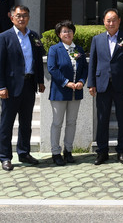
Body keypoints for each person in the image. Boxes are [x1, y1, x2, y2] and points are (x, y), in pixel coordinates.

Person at [0, 5, 45, 171]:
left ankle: (24, 153)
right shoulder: (4, 37)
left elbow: (38, 60)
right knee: (7, 124)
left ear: (29, 17)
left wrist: (40, 81)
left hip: (29, 85)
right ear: (11, 17)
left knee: (26, 123)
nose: (22, 18)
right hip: (11, 87)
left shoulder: (33, 36)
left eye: (25, 15)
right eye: (18, 16)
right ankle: (5, 157)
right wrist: (1, 86)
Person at [88, 8, 123, 165]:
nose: (111, 23)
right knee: (102, 119)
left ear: (119, 21)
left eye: (114, 20)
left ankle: (122, 151)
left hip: (122, 85)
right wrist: (91, 84)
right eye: (108, 20)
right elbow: (93, 63)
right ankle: (102, 152)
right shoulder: (97, 39)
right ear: (103, 22)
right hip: (102, 85)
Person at [47, 20, 88, 166]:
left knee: (71, 122)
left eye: (70, 31)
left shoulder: (78, 49)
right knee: (57, 123)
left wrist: (81, 81)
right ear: (59, 34)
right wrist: (66, 82)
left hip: (75, 92)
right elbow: (52, 68)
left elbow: (84, 68)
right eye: (64, 31)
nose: (67, 33)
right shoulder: (54, 49)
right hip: (59, 92)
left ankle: (68, 151)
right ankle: (55, 152)